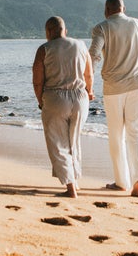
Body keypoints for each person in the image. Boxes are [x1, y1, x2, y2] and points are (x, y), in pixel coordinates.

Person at [89, 0, 138, 199]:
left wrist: (87, 84)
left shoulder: (101, 28)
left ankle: (121, 182)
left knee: (117, 135)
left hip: (114, 88)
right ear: (124, 8)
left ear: (106, 10)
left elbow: (94, 55)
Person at [32, 16, 94, 198]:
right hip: (80, 98)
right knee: (74, 141)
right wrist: (89, 92)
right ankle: (75, 180)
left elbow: (37, 80)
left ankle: (70, 188)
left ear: (48, 32)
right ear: (65, 31)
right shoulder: (81, 45)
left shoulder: (44, 49)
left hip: (55, 96)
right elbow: (88, 74)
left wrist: (41, 101)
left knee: (58, 144)